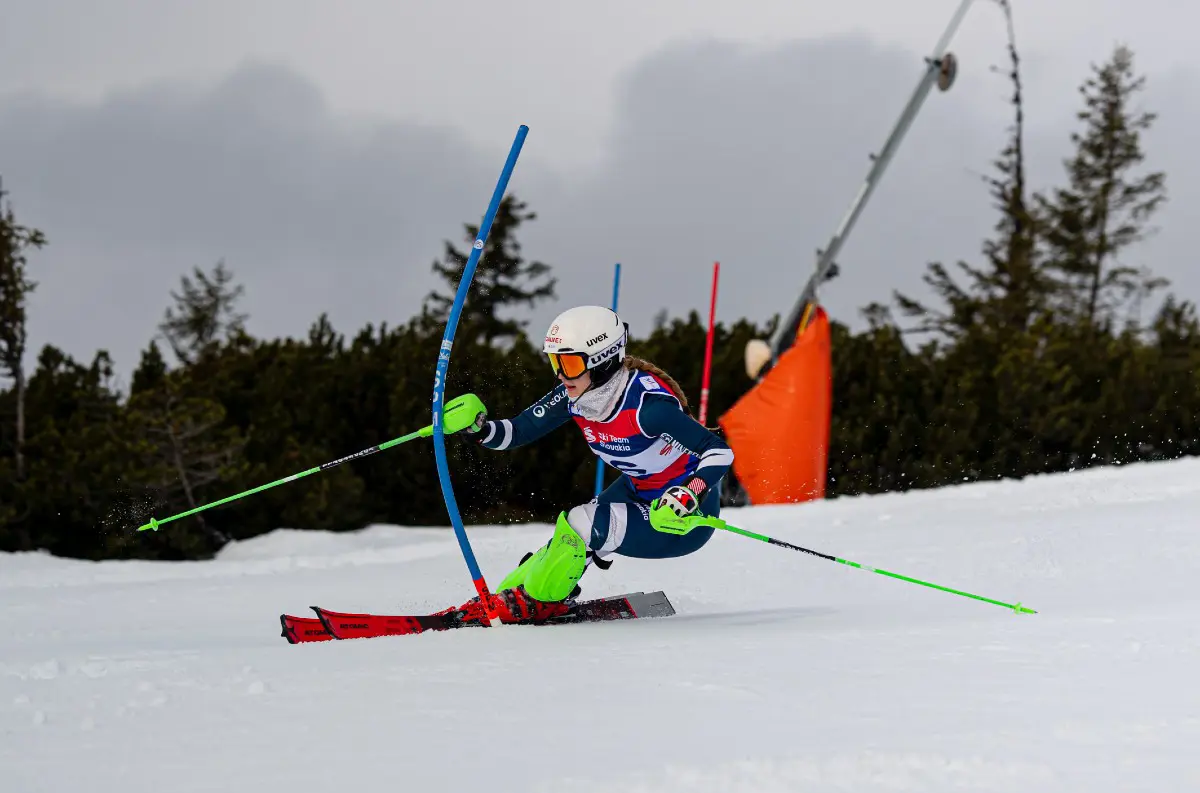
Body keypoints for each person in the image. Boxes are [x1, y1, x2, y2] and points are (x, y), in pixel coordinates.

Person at [446, 304, 734, 623]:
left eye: (568, 363)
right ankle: (512, 596)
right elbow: (516, 431)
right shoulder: (576, 395)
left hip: (682, 519)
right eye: (555, 361)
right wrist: (478, 429)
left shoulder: (648, 408)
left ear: (602, 361)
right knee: (562, 542)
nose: (559, 374)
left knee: (582, 523)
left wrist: (688, 493)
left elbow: (719, 452)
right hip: (639, 492)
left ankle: (538, 601)